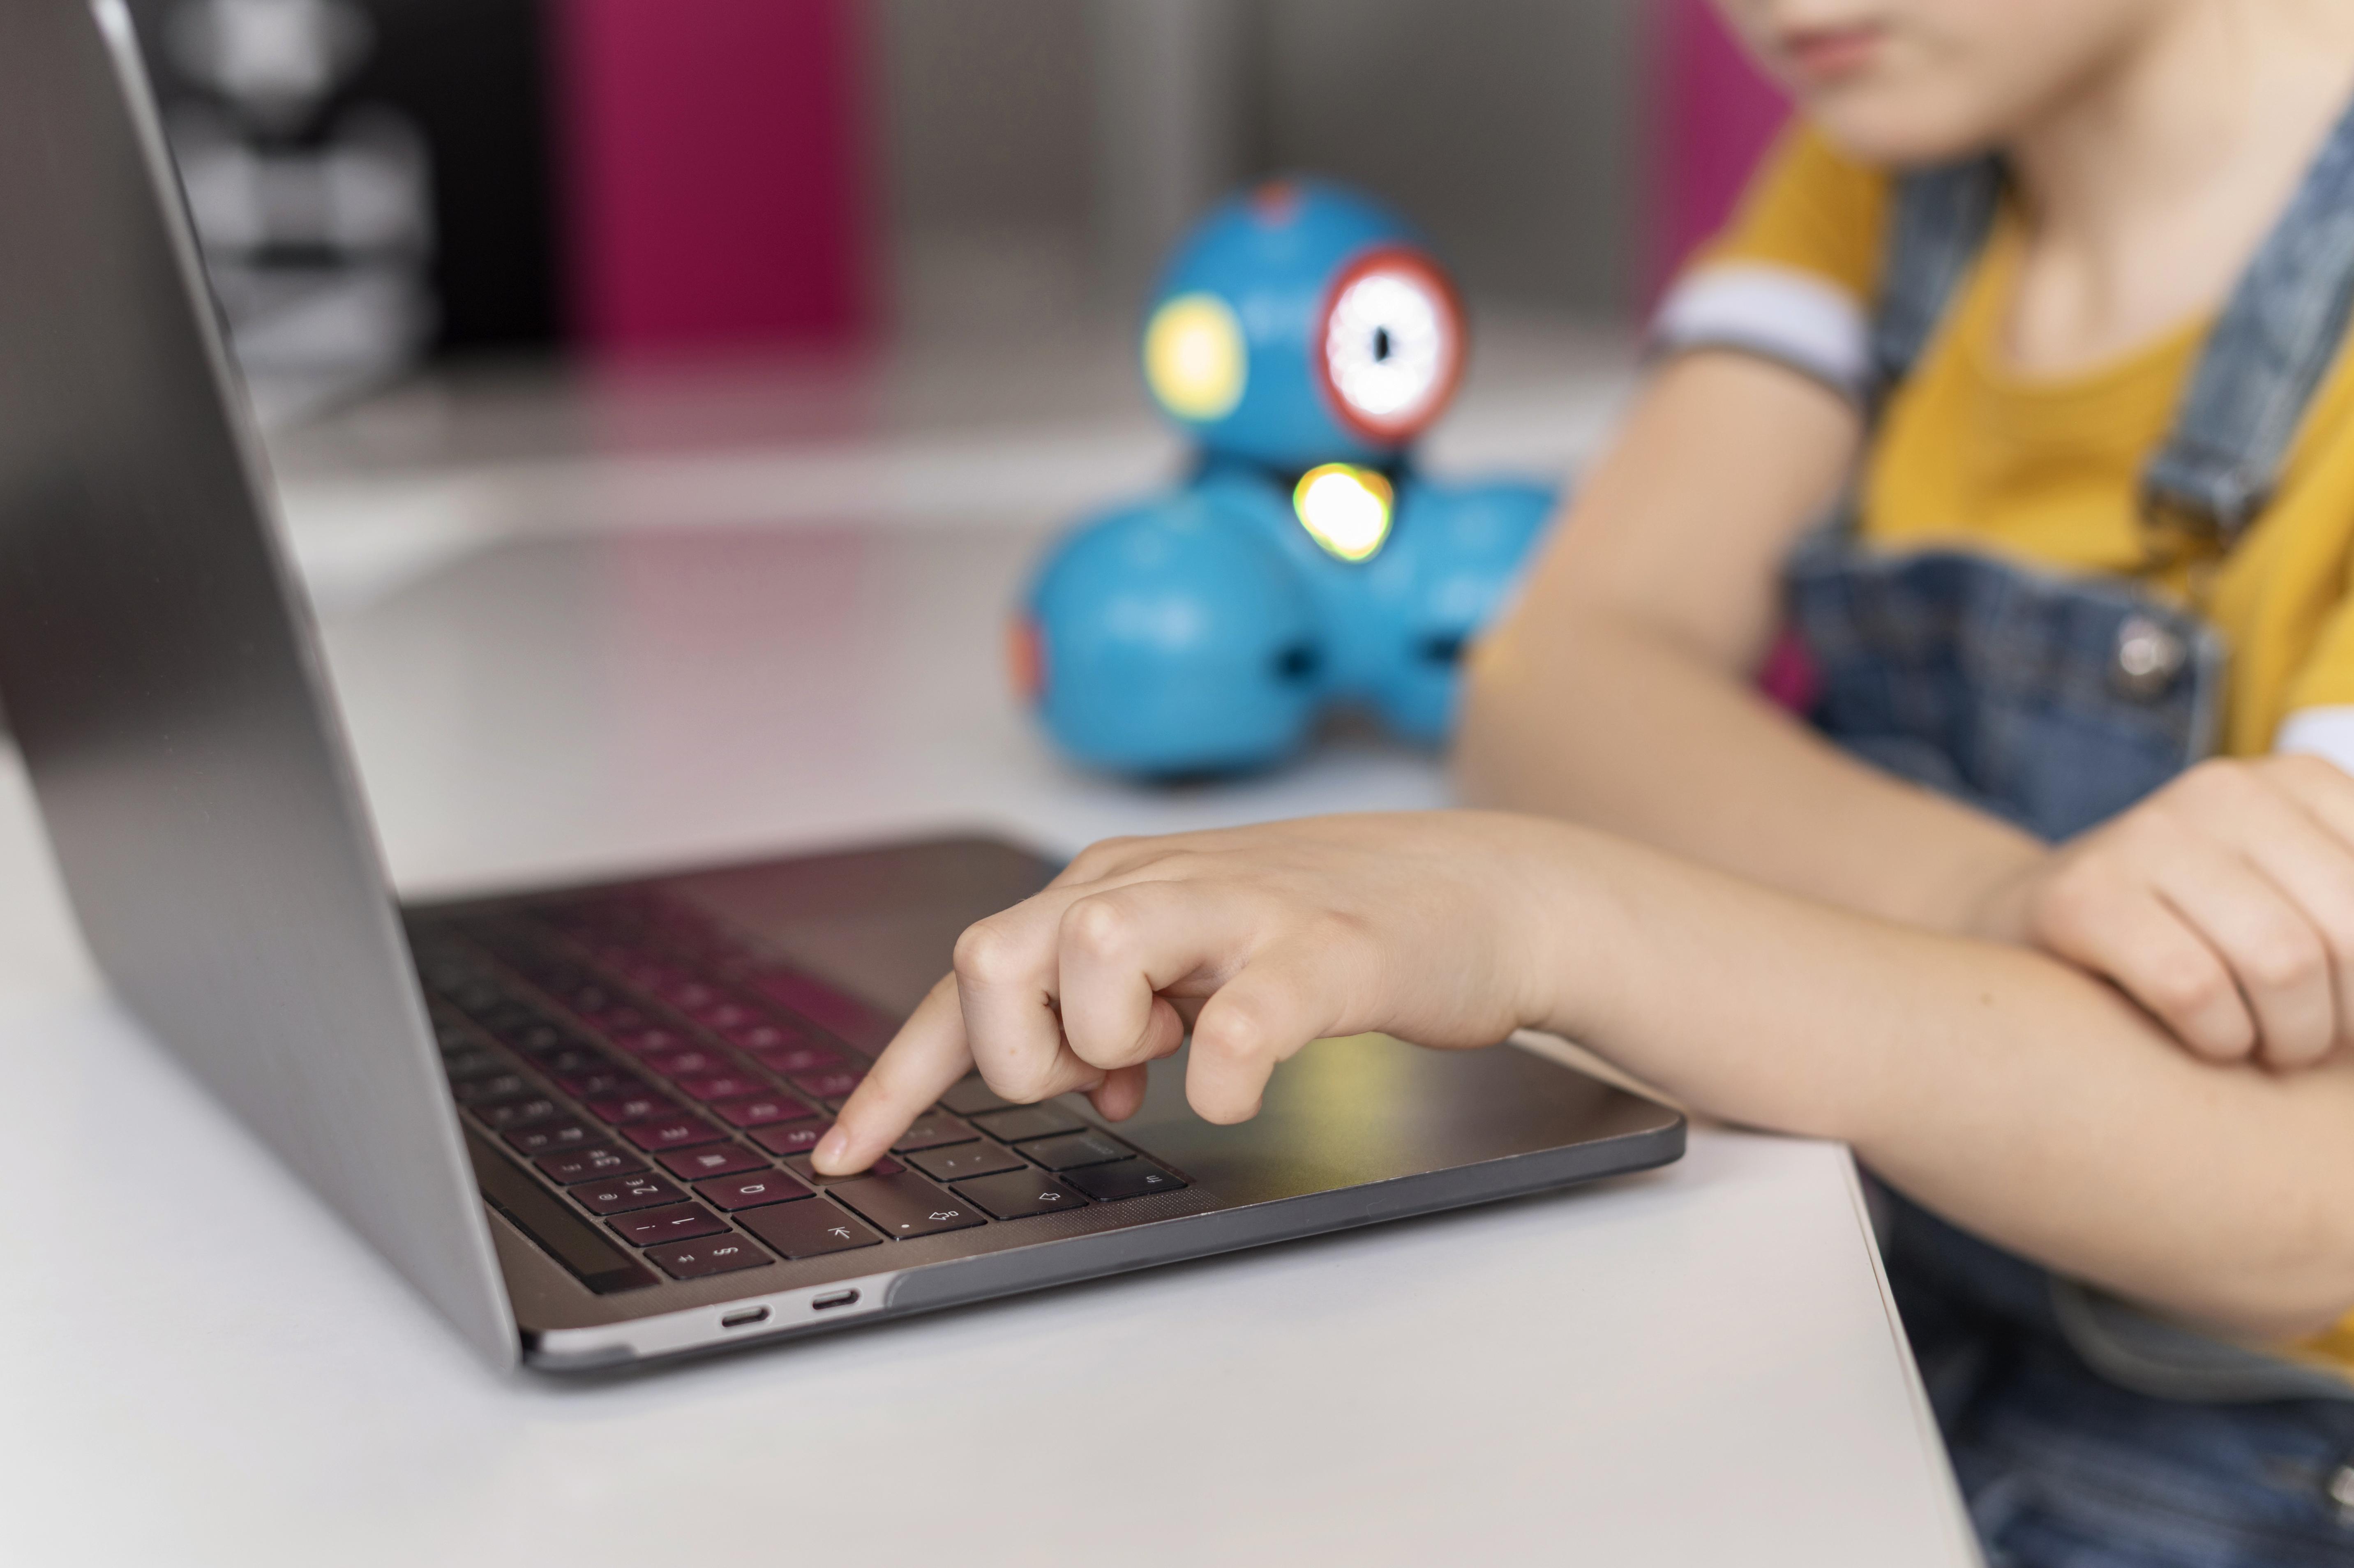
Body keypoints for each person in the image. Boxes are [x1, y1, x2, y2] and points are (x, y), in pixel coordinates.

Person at [817, 2, 2354, 1560]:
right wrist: (2004, 903)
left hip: (2253, 1452)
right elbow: (1558, 677)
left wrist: (1545, 911)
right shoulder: (1895, 162)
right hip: (1892, 1283)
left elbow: (2306, 1196)